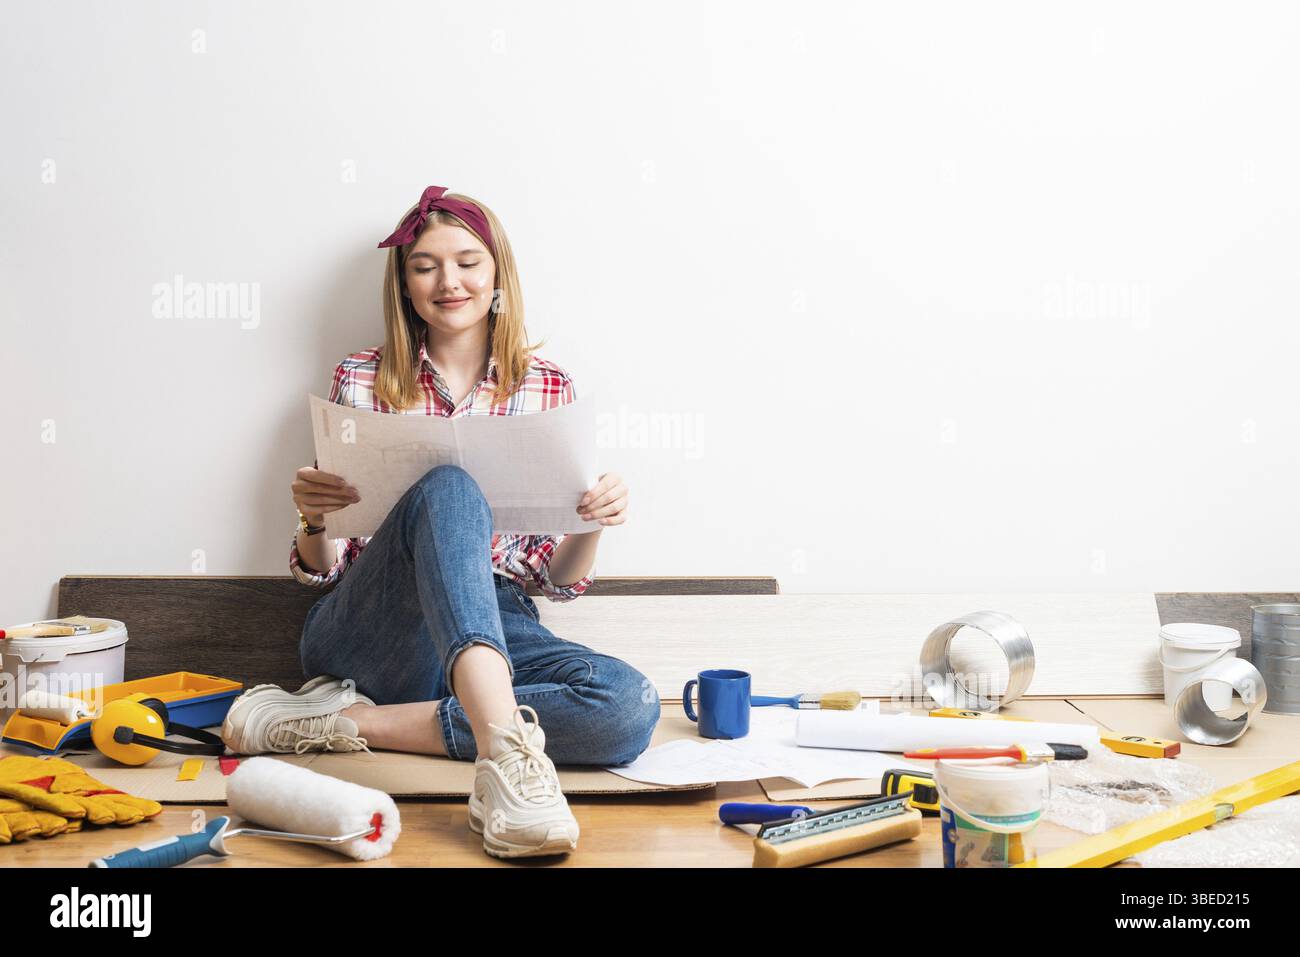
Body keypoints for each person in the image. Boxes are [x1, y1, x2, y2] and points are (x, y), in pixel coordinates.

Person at [221, 185, 660, 859]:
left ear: (496, 275)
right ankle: (507, 758)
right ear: (404, 284)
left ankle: (345, 724)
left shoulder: (549, 387)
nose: (448, 281)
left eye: (466, 262)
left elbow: (555, 581)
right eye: (425, 265)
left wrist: (591, 521)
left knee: (628, 707)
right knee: (451, 487)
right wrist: (313, 516)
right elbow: (324, 568)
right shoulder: (361, 378)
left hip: (497, 613)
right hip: (379, 625)